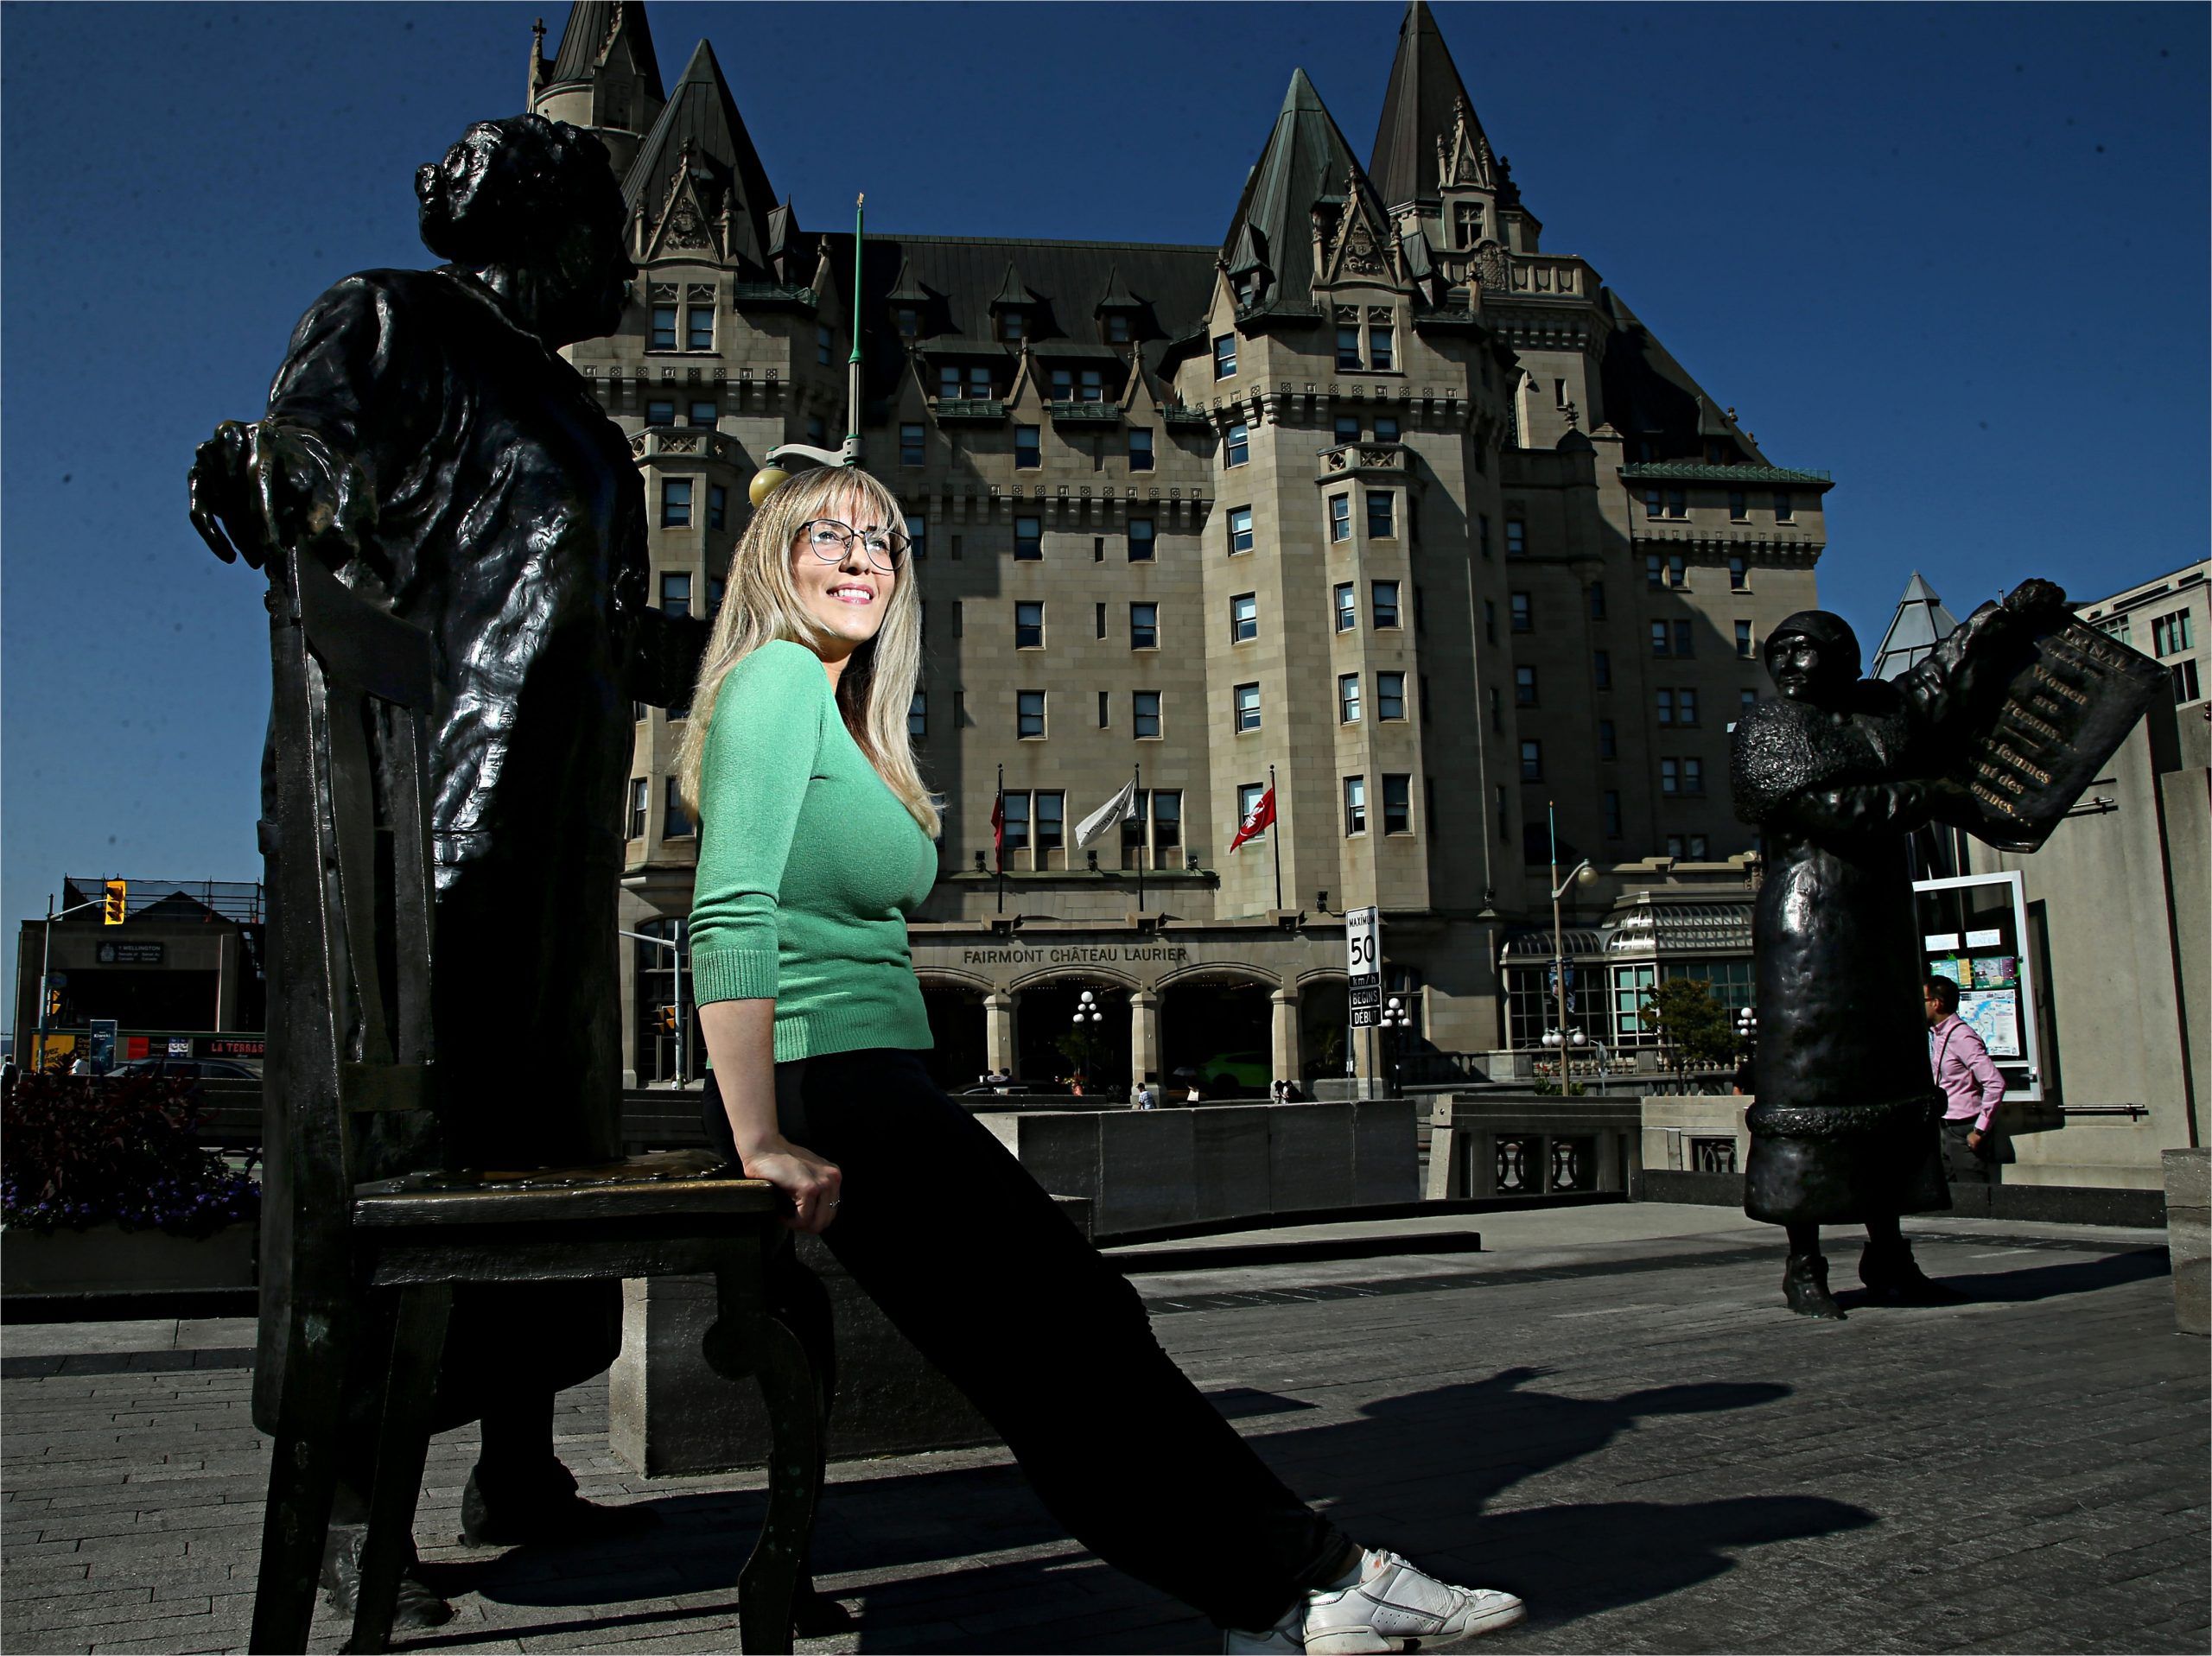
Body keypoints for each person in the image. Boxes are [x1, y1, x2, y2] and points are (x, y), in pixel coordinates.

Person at [683, 466, 1524, 1653]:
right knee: (1070, 1337)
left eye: (886, 537)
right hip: (839, 1081)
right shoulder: (774, 681)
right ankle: (1321, 1579)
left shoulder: (834, 708)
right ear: (775, 552)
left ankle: (1278, 1597)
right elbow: (727, 913)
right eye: (828, 533)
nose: (863, 555)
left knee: (1055, 1353)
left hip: (876, 1075)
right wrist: (761, 1133)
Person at [188, 113, 694, 1623]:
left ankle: (520, 1463)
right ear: (550, 232)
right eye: (611, 231)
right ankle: (355, 1507)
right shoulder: (392, 316)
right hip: (425, 829)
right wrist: (275, 459)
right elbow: (310, 441)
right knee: (401, 1153)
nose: (626, 261)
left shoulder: (587, 420)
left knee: (544, 1133)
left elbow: (596, 637)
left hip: (554, 846)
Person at [1730, 589, 2063, 1318]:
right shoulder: (1769, 726)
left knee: (1886, 1071)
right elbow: (1826, 808)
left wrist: (2006, 617)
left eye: (1804, 645)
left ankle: (1889, 1249)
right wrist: (1931, 793)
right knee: (1808, 1087)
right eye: (1779, 648)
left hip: (1876, 921)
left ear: (1844, 657)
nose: (1789, 658)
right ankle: (1804, 1260)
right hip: (1807, 926)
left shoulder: (1879, 711)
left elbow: (1946, 678)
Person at [1926, 975, 2003, 1183]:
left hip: (1964, 1129)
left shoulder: (1962, 1037)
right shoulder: (1937, 1035)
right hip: (1944, 1126)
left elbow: (1995, 1083)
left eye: (1923, 1000)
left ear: (1936, 1003)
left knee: (1973, 1196)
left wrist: (1979, 1130)